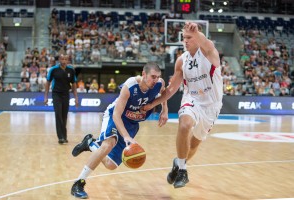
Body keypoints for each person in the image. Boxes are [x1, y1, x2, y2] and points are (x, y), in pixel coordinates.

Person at [142, 22, 223, 188]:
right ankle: (183, 171)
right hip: (192, 99)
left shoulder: (209, 52)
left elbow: (206, 43)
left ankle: (178, 163)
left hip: (211, 105)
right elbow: (171, 88)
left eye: (189, 38)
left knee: (194, 144)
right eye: (183, 38)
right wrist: (154, 104)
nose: (185, 41)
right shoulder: (181, 61)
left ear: (198, 38)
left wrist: (196, 31)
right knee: (185, 124)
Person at [70, 62, 168, 199]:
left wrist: (164, 109)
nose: (155, 80)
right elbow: (116, 114)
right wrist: (126, 137)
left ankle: (90, 144)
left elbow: (165, 93)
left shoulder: (159, 83)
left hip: (132, 123)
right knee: (108, 144)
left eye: (158, 77)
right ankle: (78, 183)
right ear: (143, 74)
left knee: (111, 165)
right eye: (153, 77)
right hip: (115, 116)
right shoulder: (130, 86)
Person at [44, 54, 79, 144]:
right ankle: (60, 137)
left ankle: (64, 136)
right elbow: (48, 82)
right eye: (62, 59)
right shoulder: (53, 70)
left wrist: (76, 98)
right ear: (59, 60)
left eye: (66, 59)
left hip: (66, 94)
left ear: (67, 60)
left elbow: (74, 84)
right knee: (58, 114)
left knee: (64, 116)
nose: (64, 60)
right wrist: (46, 97)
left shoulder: (71, 70)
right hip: (56, 94)